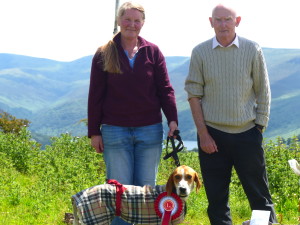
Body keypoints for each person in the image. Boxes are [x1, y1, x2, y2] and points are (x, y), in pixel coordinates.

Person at [184, 3, 277, 225]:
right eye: (218, 19)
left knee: (259, 196)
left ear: (238, 21)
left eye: (228, 19)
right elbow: (193, 95)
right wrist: (203, 134)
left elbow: (263, 90)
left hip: (247, 133)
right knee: (216, 199)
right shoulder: (200, 52)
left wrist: (259, 127)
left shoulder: (252, 49)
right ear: (211, 22)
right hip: (212, 136)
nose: (223, 24)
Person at [87, 2, 178, 224]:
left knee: (145, 191)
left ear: (143, 23)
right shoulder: (104, 53)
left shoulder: (153, 52)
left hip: (150, 130)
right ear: (119, 20)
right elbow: (95, 95)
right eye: (127, 19)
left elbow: (165, 88)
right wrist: (94, 132)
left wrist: (173, 120)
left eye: (137, 20)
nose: (132, 24)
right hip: (114, 131)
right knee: (119, 192)